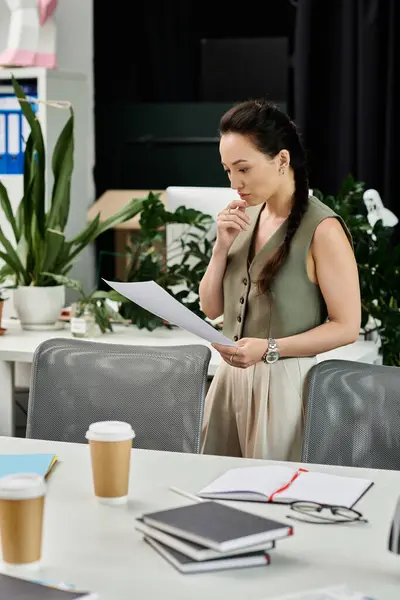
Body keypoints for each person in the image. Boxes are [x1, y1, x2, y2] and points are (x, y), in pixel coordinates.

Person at [199, 99, 361, 461]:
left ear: (282, 160)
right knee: (215, 492)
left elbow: (347, 327)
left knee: (269, 498)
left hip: (284, 383)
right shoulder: (243, 216)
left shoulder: (323, 229)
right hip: (229, 382)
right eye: (227, 171)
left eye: (243, 169)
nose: (234, 183)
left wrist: (269, 348)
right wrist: (220, 248)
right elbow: (211, 308)